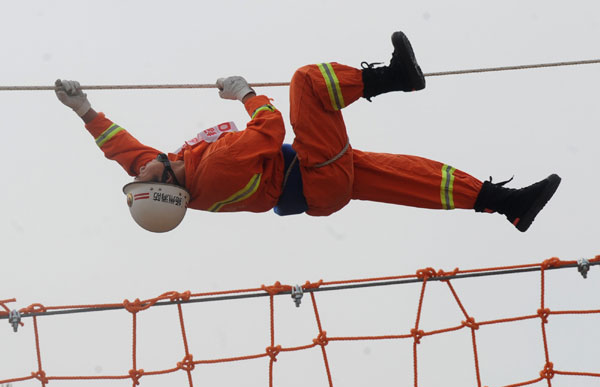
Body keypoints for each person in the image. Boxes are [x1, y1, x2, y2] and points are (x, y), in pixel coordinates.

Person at [55, 31, 561, 233]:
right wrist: (247, 93)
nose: (141, 166)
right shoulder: (217, 168)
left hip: (320, 184)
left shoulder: (174, 174)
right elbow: (270, 129)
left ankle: (506, 202)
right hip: (312, 171)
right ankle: (392, 79)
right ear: (168, 182)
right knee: (308, 84)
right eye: (146, 173)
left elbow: (123, 152)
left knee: (410, 177)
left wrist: (84, 111)